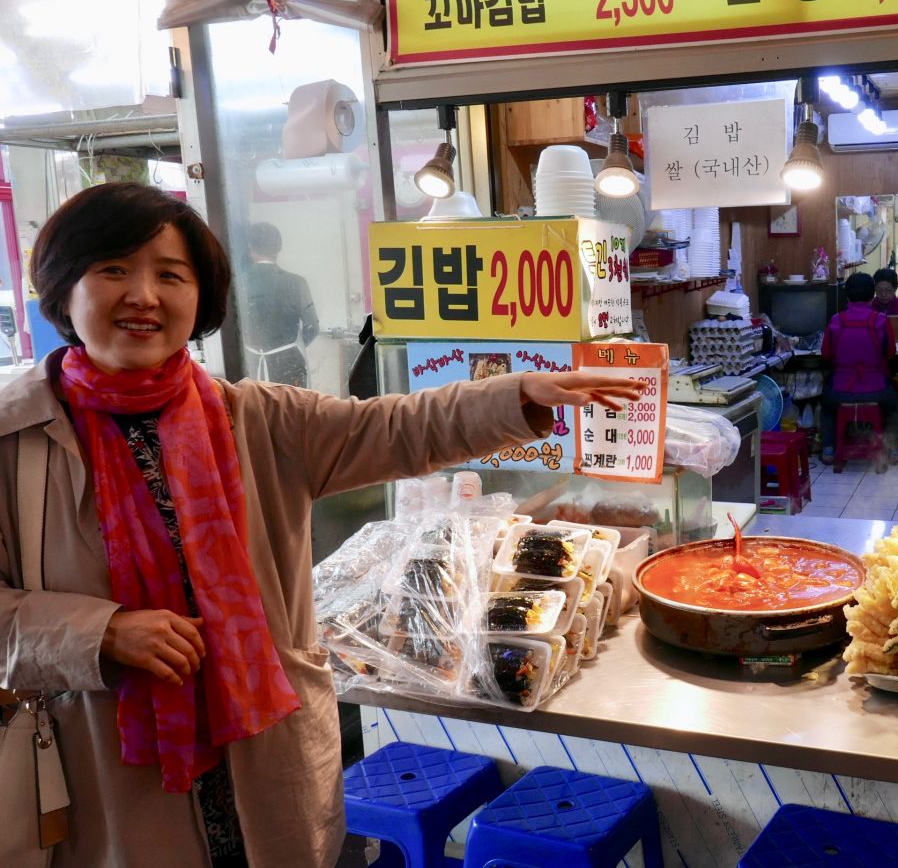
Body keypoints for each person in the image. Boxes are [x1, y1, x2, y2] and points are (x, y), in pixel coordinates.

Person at [0, 183, 644, 868]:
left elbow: (395, 427)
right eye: (114, 270)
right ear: (65, 288)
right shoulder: (15, 438)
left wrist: (516, 396)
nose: (144, 295)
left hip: (262, 755)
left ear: (200, 296)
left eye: (170, 274)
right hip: (106, 767)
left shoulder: (258, 418)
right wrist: (102, 632)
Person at [820, 272, 898, 466]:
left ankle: (828, 450)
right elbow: (890, 352)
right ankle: (893, 450)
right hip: (877, 389)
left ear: (847, 296)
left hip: (840, 390)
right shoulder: (881, 321)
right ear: (872, 295)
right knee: (896, 405)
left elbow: (826, 354)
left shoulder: (836, 321)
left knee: (827, 408)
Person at [241, 221, 319, 387]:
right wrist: (290, 347)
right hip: (289, 366)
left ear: (250, 248)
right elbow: (312, 326)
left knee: (255, 411)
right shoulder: (297, 282)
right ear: (278, 248)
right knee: (293, 411)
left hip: (250, 367)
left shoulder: (238, 284)